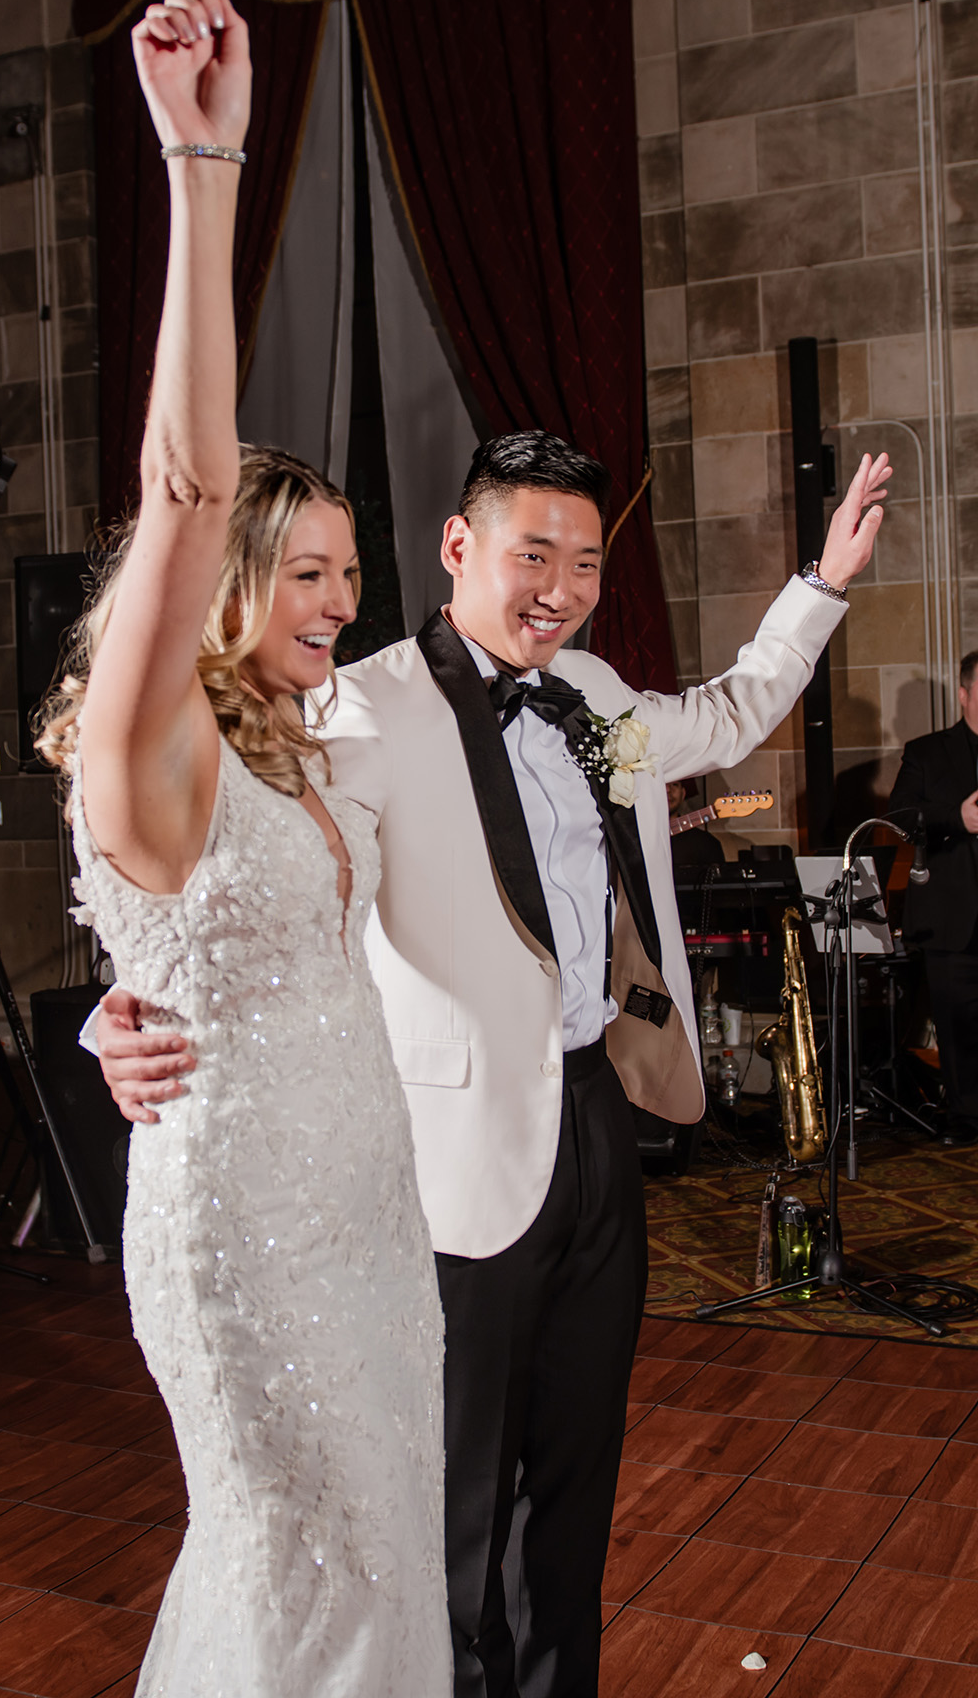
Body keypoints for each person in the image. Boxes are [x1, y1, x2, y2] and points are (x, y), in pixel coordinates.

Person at [99, 430, 888, 1697]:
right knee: (458, 1512)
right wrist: (120, 1013)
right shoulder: (360, 704)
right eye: (534, 554)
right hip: (443, 1165)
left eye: (583, 563)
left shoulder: (599, 698)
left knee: (575, 1495)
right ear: (460, 549)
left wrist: (823, 583)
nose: (560, 587)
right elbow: (231, 871)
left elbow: (732, 711)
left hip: (598, 1121)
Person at [40, 0, 450, 1697]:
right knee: (302, 1564)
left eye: (355, 574)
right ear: (213, 581)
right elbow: (188, 481)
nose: (342, 606)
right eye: (308, 573)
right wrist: (204, 165)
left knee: (384, 1553)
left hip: (365, 1210)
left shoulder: (295, 746)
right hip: (243, 1242)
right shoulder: (151, 745)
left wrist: (109, 1002)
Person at [888, 649, 978, 1146]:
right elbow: (899, 817)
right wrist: (954, 817)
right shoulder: (927, 752)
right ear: (964, 694)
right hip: (954, 916)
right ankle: (966, 1117)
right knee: (957, 1024)